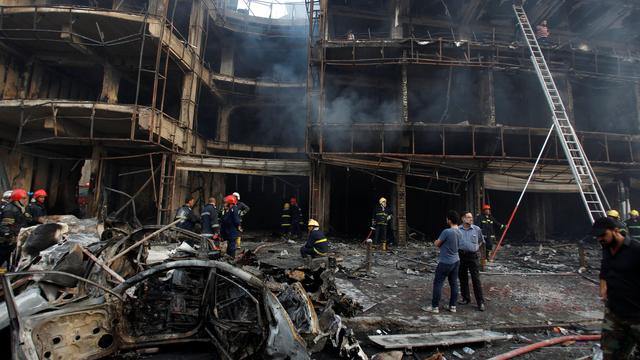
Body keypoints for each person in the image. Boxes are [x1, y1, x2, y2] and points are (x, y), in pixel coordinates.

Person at [592, 217, 640, 359]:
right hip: (614, 314)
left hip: (636, 314)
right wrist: (603, 286)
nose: (600, 239)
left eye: (603, 235)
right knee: (610, 354)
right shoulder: (607, 249)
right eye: (597, 236)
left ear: (616, 231)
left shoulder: (635, 250)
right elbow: (604, 270)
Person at [423, 210, 462, 314]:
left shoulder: (447, 232)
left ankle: (435, 307)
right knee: (454, 283)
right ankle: (453, 306)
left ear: (449, 220)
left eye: (447, 218)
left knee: (438, 283)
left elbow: (437, 243)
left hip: (445, 262)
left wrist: (437, 242)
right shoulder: (460, 231)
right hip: (456, 261)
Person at [458, 212, 486, 311]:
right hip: (461, 256)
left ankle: (480, 302)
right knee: (463, 278)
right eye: (468, 217)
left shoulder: (477, 229)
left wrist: (483, 259)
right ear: (463, 219)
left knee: (476, 279)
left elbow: (481, 242)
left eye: (471, 217)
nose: (471, 219)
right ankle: (466, 298)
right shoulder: (458, 230)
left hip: (473, 257)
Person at [0, 189, 30, 269]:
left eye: (25, 198)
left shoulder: (19, 208)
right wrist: (9, 237)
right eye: (23, 198)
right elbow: (5, 226)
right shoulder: (10, 209)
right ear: (17, 199)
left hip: (15, 239)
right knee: (2, 257)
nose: (25, 200)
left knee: (10, 260)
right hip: (7, 241)